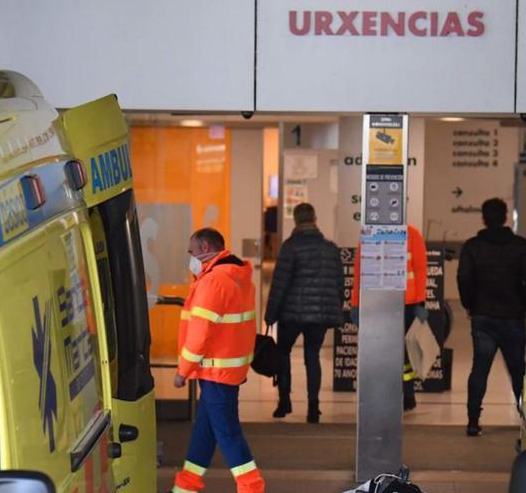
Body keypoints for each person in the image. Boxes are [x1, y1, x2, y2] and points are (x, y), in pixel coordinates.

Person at [172, 228, 265, 493]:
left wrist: (183, 371)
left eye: (191, 251)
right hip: (226, 370)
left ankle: (252, 488)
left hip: (216, 372)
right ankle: (185, 487)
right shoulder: (237, 276)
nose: (190, 257)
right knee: (204, 433)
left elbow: (200, 334)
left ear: (204, 248)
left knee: (228, 434)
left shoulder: (213, 282)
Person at [264, 203, 344, 423]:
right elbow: (339, 284)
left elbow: (279, 284)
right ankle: (313, 407)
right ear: (315, 219)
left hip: (291, 314)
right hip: (319, 316)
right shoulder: (330, 248)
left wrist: (270, 314)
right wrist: (334, 309)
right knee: (312, 356)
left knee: (283, 353)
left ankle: (284, 402)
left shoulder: (290, 247)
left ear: (296, 220)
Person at [457, 198, 526, 437]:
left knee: (480, 368)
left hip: (483, 317)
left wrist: (469, 305)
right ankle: (525, 418)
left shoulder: (472, 246)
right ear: (505, 217)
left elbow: (464, 278)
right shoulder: (521, 246)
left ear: (483, 219)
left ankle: (473, 421)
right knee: (518, 370)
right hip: (513, 317)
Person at [351, 223, 428, 411]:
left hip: (404, 303)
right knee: (381, 351)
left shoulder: (410, 234)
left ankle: (407, 394)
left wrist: (420, 302)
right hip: (380, 301)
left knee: (405, 353)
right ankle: (384, 393)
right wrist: (355, 302)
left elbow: (420, 270)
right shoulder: (372, 234)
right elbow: (360, 271)